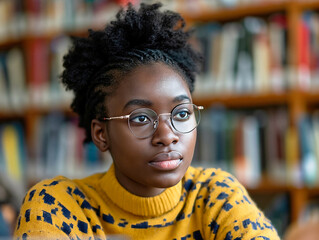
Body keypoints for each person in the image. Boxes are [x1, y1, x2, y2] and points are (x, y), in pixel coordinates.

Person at [14, 2, 280, 240]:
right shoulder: (59, 205)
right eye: (141, 118)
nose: (167, 135)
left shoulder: (216, 195)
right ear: (101, 134)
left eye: (182, 114)